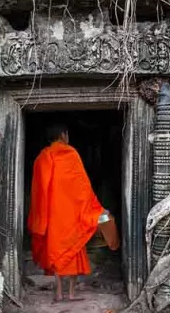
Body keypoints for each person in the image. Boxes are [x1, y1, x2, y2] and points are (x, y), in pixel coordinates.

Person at [27, 123, 106, 302]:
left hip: (52, 215)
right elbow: (82, 186)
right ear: (63, 135)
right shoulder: (70, 154)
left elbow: (38, 191)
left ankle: (58, 293)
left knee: (56, 252)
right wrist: (93, 207)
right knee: (73, 250)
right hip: (71, 213)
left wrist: (41, 216)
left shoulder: (42, 158)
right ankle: (70, 294)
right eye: (67, 134)